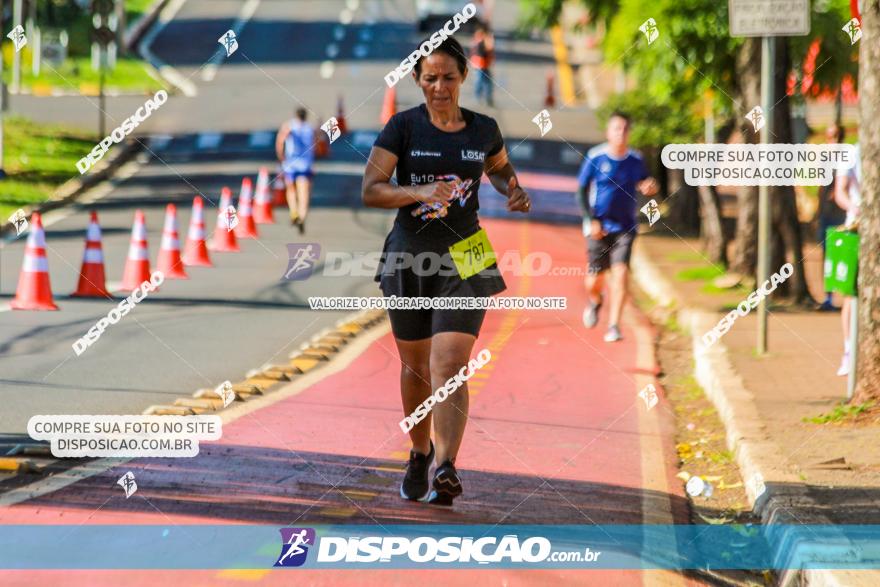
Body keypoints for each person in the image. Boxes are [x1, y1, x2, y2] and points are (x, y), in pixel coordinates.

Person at [362, 35, 530, 506]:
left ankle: (447, 466)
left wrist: (512, 188)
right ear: (417, 80)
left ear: (463, 78)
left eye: (448, 77)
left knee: (450, 364)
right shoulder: (403, 128)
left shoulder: (483, 129)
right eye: (430, 78)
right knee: (415, 367)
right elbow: (372, 190)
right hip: (409, 256)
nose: (439, 86)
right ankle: (419, 451)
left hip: (467, 256)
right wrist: (416, 193)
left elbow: (498, 168)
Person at [577, 112, 658, 342]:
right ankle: (595, 300)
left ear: (629, 132)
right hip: (598, 227)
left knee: (621, 273)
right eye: (616, 129)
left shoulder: (636, 159)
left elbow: (646, 182)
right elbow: (581, 190)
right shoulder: (596, 156)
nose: (620, 133)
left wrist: (649, 186)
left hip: (625, 227)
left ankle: (614, 325)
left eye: (624, 129)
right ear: (608, 132)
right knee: (595, 279)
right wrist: (590, 219)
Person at [833, 141, 861, 376]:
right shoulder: (852, 153)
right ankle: (849, 350)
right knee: (852, 292)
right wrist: (856, 208)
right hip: (857, 227)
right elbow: (839, 191)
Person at [815, 124, 847, 311]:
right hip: (826, 216)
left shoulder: (847, 159)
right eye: (829, 137)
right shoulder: (825, 158)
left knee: (843, 257)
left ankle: (849, 295)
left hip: (841, 217)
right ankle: (829, 297)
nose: (832, 141)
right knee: (827, 257)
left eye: (835, 136)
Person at [275, 107, 318, 234]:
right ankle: (301, 217)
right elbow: (317, 144)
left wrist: (281, 155)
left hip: (291, 164)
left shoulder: (289, 126)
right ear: (306, 116)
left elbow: (281, 140)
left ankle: (293, 212)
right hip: (305, 165)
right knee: (304, 194)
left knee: (291, 190)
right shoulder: (310, 128)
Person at [469, 22, 495, 107]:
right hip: (480, 64)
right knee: (481, 81)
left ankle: (485, 98)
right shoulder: (483, 38)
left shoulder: (478, 37)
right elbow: (489, 48)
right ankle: (481, 98)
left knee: (485, 82)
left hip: (481, 63)